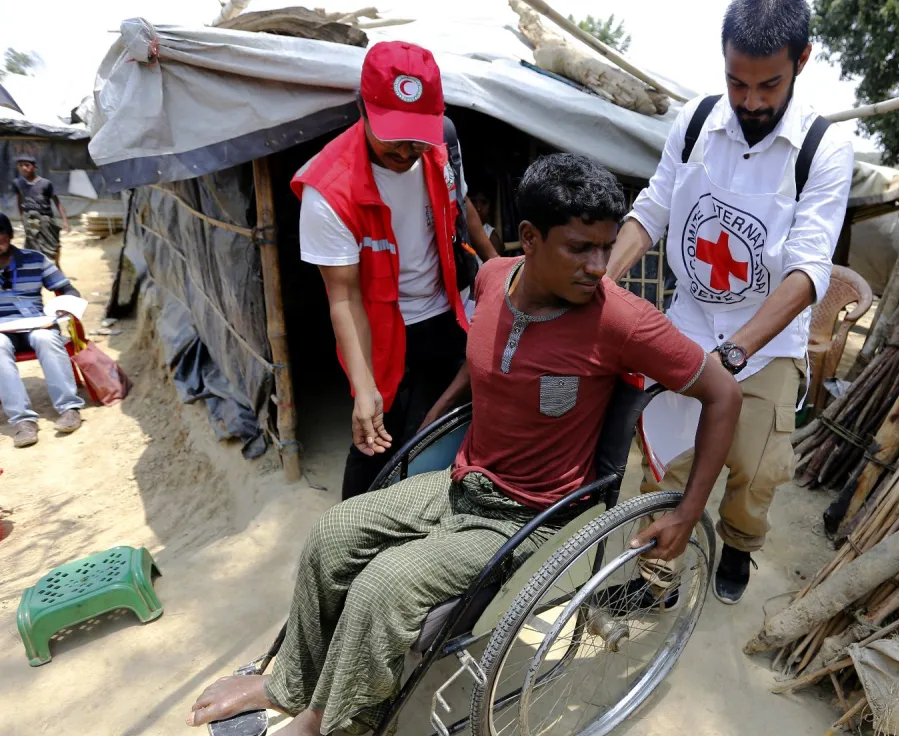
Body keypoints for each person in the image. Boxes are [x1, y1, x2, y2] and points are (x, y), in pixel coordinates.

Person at [185, 153, 743, 735]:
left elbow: (723, 396)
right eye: (580, 248)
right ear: (529, 238)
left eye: (606, 247)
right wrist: (440, 410)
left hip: (532, 514)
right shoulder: (494, 278)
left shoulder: (623, 322)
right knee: (331, 536)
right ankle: (288, 686)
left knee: (383, 587)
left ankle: (334, 721)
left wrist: (689, 509)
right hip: (463, 480)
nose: (599, 266)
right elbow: (483, 354)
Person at [607, 0, 854, 604]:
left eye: (768, 84)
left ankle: (739, 544)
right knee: (667, 457)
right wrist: (604, 284)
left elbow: (807, 267)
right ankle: (655, 574)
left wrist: (737, 352)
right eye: (736, 82)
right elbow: (654, 209)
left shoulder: (824, 147)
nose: (750, 101)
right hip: (688, 322)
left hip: (766, 344)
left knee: (755, 468)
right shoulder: (694, 123)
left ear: (802, 60)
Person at [294, 41, 495, 501]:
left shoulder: (441, 148)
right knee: (375, 435)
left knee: (453, 421)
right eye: (395, 134)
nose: (407, 150)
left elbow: (463, 209)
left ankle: (437, 511)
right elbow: (342, 298)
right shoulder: (329, 190)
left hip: (447, 312)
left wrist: (494, 265)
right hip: (384, 328)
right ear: (363, 109)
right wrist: (363, 389)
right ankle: (349, 533)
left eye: (418, 135)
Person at [0, 209, 84, 446]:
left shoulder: (35, 258)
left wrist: (63, 305)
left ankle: (69, 408)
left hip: (34, 323)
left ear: (11, 236)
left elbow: (67, 289)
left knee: (46, 338)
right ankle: (22, 421)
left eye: (0, 241)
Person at [11, 154, 70, 269]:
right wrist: (23, 218)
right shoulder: (18, 183)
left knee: (54, 243)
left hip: (46, 219)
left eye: (27, 165)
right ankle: (36, 268)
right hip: (31, 219)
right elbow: (19, 201)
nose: (23, 168)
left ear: (34, 167)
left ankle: (57, 265)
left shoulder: (45, 183)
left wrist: (65, 221)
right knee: (33, 243)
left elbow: (57, 202)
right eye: (20, 165)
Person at [469, 188, 505, 255]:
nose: (478, 208)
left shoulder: (491, 236)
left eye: (483, 202)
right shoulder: (460, 230)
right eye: (473, 201)